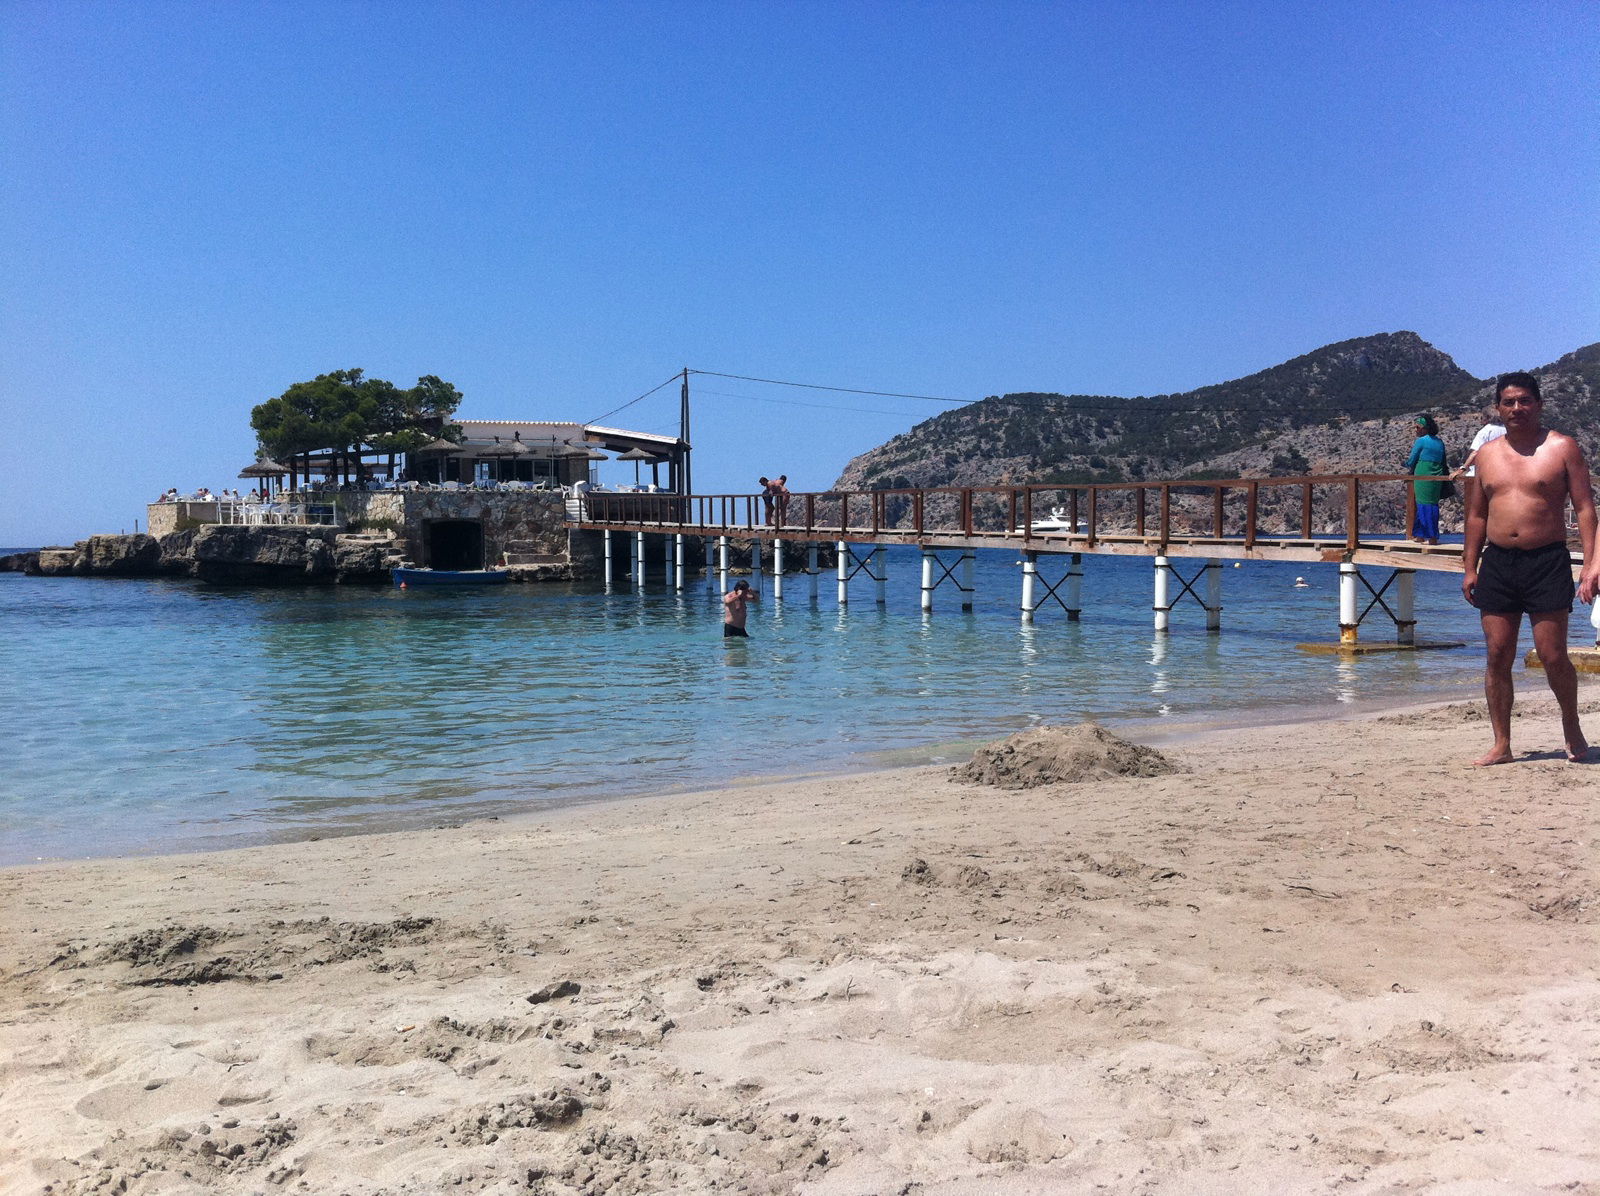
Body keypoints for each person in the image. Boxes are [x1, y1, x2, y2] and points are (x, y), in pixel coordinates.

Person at [1462, 371, 1600, 766]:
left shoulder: (1562, 447)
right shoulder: (1487, 456)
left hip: (1547, 560)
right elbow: (1475, 516)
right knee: (1497, 654)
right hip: (1499, 561)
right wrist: (1469, 567)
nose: (1517, 408)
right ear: (1498, 408)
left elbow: (1587, 508)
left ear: (1538, 404)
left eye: (1524, 400)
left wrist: (1592, 565)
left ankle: (1571, 725)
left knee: (1552, 653)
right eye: (1509, 402)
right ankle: (1502, 743)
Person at [1403, 415, 1449, 544]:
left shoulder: (1421, 441)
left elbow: (1411, 460)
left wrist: (1404, 464)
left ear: (1424, 429)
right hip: (1437, 475)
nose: (1416, 430)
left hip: (1423, 473)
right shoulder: (1439, 442)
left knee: (1423, 504)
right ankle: (1420, 535)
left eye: (1417, 427)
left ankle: (1431, 536)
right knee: (1432, 504)